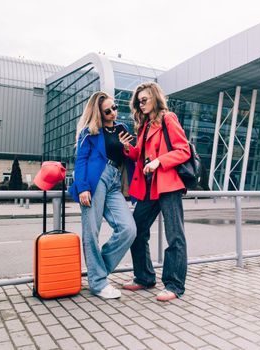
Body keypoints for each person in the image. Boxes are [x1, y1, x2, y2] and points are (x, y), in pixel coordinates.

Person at [119, 82, 191, 302]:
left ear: (155, 98)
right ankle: (145, 276)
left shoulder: (168, 118)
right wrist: (126, 147)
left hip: (168, 185)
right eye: (138, 101)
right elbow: (139, 155)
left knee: (174, 235)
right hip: (149, 188)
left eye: (144, 100)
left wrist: (159, 161)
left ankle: (174, 285)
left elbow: (184, 150)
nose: (141, 105)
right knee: (136, 230)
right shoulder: (145, 125)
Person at [68, 91, 136, 299]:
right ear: (98, 112)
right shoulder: (89, 132)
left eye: (115, 108)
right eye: (108, 111)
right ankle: (98, 283)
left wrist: (127, 148)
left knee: (128, 229)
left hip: (115, 180)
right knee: (91, 231)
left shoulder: (122, 130)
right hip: (94, 180)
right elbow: (80, 161)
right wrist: (83, 187)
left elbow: (132, 156)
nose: (113, 113)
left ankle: (97, 272)